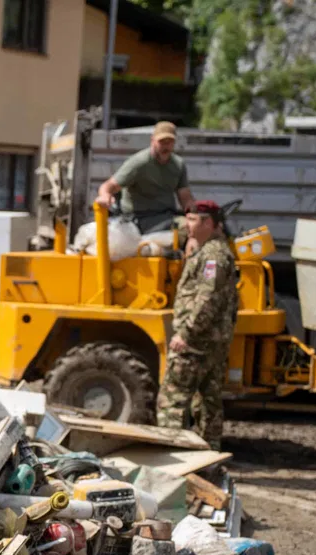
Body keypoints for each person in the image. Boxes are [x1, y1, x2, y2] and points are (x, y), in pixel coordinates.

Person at [155, 200, 238, 449]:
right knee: (207, 402)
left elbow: (207, 299)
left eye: (192, 220)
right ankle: (207, 456)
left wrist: (186, 333)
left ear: (208, 223)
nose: (186, 225)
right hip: (211, 341)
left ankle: (171, 456)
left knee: (173, 399)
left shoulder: (213, 256)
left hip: (197, 341)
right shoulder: (212, 251)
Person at [95, 121, 195, 234]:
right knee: (184, 227)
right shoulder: (139, 163)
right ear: (152, 140)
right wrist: (105, 196)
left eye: (170, 142)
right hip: (139, 219)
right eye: (162, 142)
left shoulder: (178, 164)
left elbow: (185, 197)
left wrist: (194, 211)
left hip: (167, 216)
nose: (166, 146)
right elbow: (109, 185)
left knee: (198, 226)